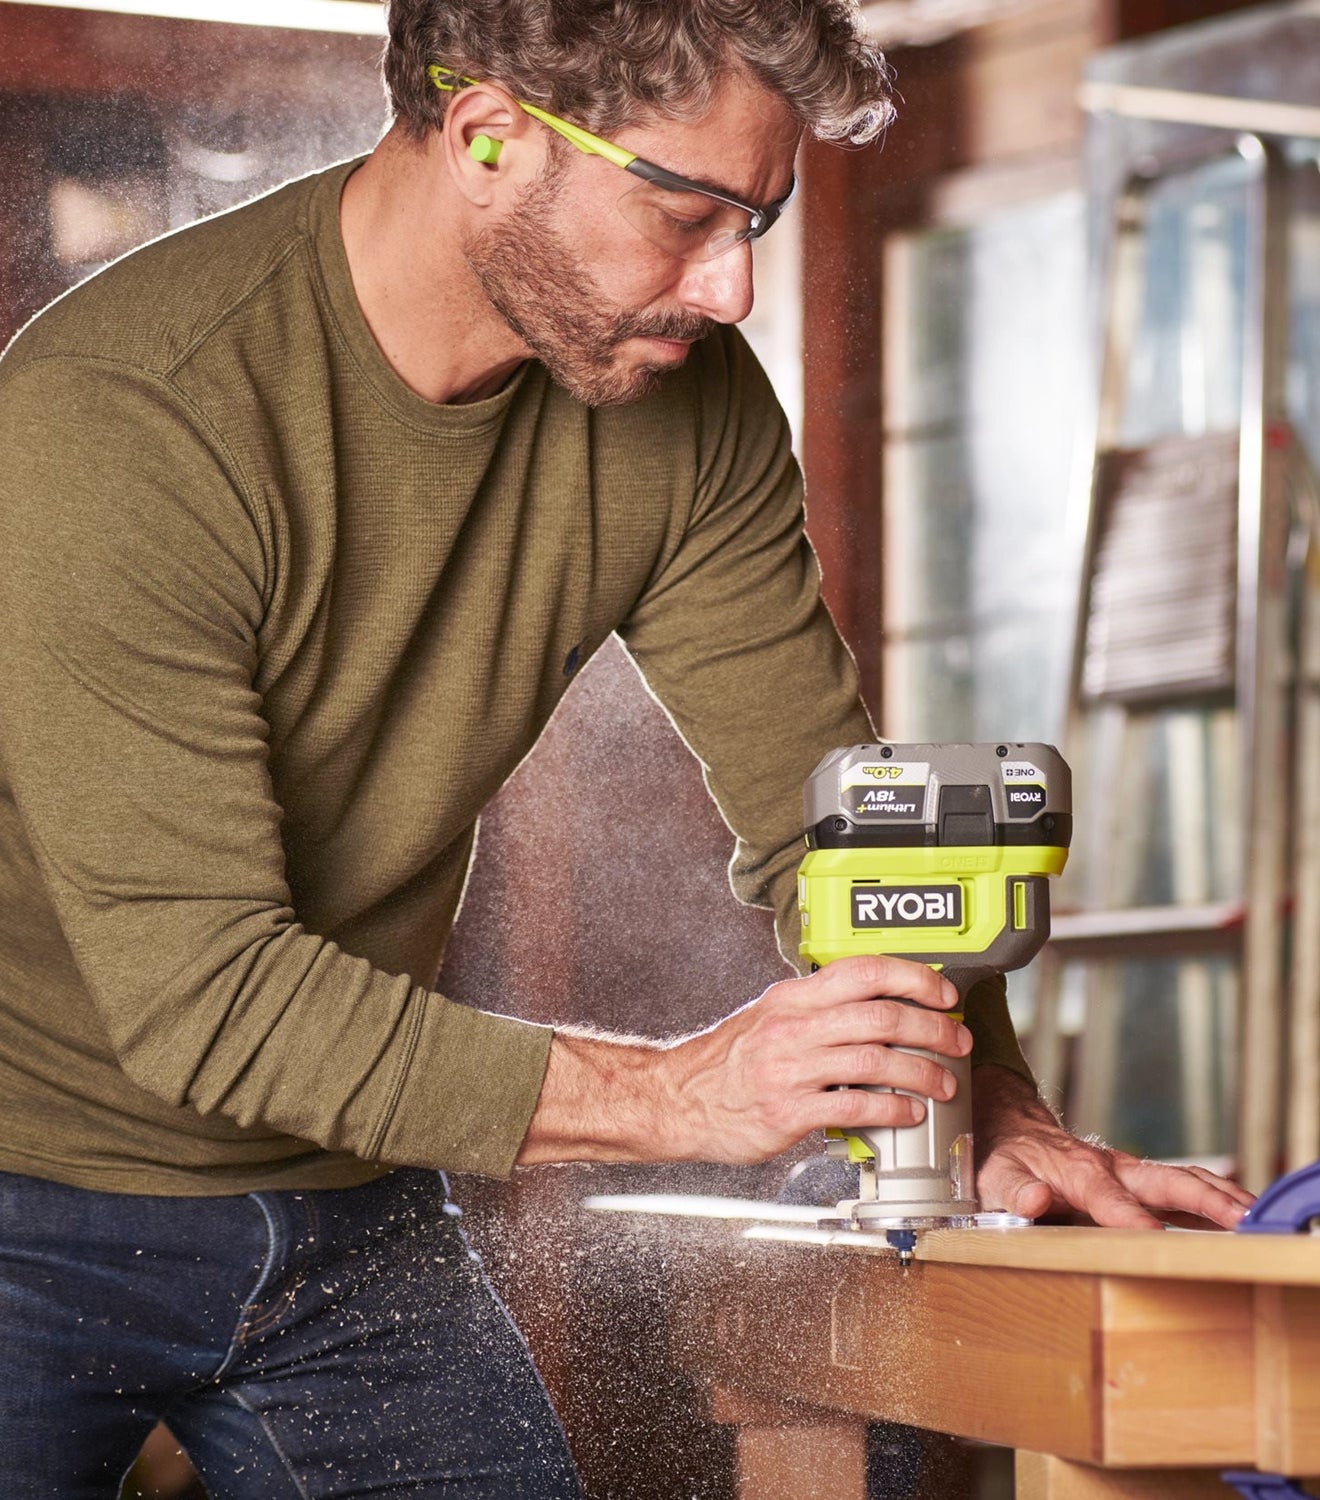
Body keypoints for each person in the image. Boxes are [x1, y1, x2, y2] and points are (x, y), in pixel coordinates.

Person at [0, 0, 1253, 1493]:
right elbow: (207, 999)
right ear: (488, 137)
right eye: (686, 212)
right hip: (23, 1190)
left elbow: (834, 836)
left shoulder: (686, 402)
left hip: (345, 1201)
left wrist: (986, 1102)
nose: (731, 288)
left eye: (758, 221)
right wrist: (683, 1097)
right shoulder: (127, 417)